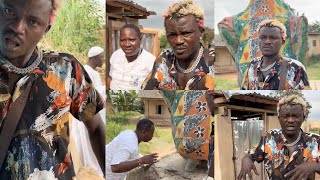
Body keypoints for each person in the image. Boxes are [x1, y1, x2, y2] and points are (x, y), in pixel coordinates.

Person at [0, 0, 105, 179]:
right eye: (10, 11)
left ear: (45, 30)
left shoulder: (65, 69)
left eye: (33, 21)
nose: (17, 27)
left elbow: (95, 129)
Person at [237, 95, 320, 180]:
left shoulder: (315, 141)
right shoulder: (269, 137)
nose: (290, 120)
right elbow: (251, 155)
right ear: (279, 118)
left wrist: (314, 166)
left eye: (295, 116)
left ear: (303, 118)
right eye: (285, 116)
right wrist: (246, 159)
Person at [143, 0, 215, 90]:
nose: (178, 41)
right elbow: (146, 93)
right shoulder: (164, 59)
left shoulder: (212, 63)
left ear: (201, 33)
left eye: (186, 33)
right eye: (172, 35)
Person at [242, 19, 310, 90]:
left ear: (283, 41)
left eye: (273, 38)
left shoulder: (296, 68)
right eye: (263, 37)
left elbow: (303, 98)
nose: (267, 41)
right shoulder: (252, 65)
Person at [71, 46, 106, 176]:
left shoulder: (94, 73)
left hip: (93, 112)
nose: (102, 60)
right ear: (95, 57)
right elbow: (91, 94)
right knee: (88, 137)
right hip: (87, 113)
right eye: (101, 57)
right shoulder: (86, 71)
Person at [108, 24, 156, 90]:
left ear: (140, 40)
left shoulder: (150, 61)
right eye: (123, 40)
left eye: (131, 40)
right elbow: (110, 79)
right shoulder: (116, 55)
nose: (127, 44)